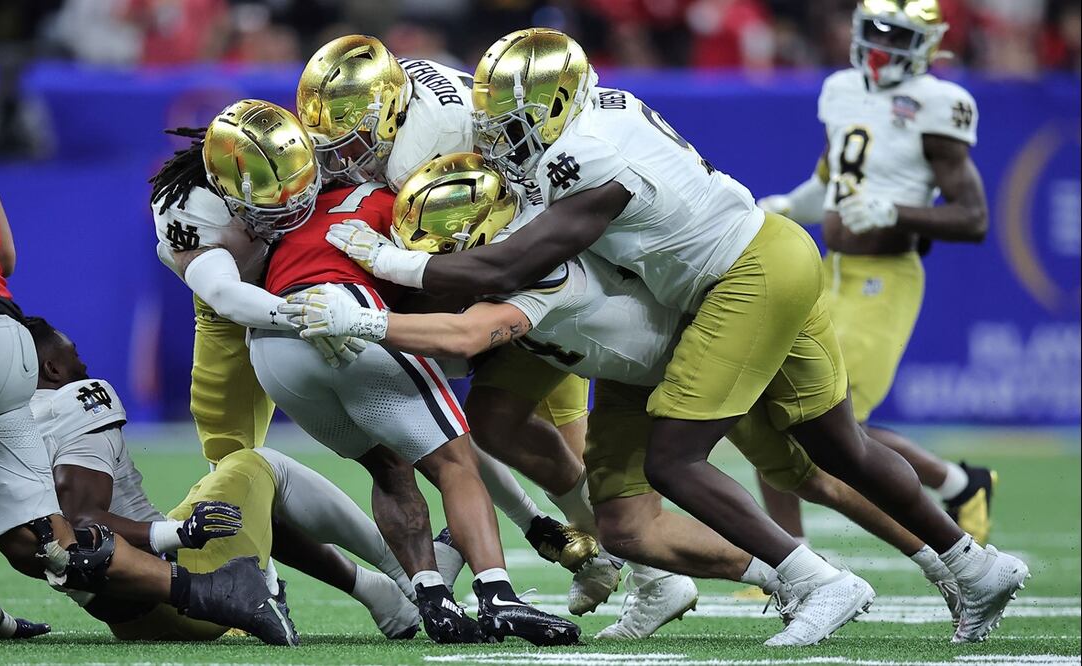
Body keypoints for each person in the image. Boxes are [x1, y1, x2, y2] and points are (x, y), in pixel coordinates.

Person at [319, 28, 1029, 646]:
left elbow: (511, 265)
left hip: (738, 279)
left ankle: (813, 580)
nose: (498, 134)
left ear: (558, 107)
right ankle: (971, 564)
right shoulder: (590, 114)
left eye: (514, 120)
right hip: (724, 273)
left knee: (690, 460)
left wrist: (386, 263)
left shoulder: (586, 159)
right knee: (832, 450)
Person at [286, 152, 966, 639]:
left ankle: (941, 563)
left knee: (806, 471)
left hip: (693, 357)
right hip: (628, 378)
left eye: (444, 246)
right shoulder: (506, 242)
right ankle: (686, 580)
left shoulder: (537, 267)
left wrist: (371, 318)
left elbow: (468, 334)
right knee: (623, 524)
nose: (436, 261)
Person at [297, 33, 621, 607]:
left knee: (517, 420)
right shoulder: (405, 90)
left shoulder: (417, 153)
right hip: (514, 249)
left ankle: (631, 560)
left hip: (515, 259)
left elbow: (440, 245)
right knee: (475, 421)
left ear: (390, 110)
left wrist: (370, 284)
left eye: (347, 143)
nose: (338, 160)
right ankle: (590, 547)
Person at [245, 151, 580, 645]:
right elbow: (439, 288)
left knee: (388, 466)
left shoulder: (297, 208)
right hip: (346, 313)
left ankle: (431, 594)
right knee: (455, 463)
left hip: (272, 342)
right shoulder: (401, 203)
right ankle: (498, 594)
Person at [0, 147, 297, 647]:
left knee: (33, 534)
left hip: (141, 596)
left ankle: (219, 590)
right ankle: (229, 589)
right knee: (43, 534)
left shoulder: (70, 400)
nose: (82, 366)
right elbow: (3, 256)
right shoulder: (73, 393)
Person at [756, 0, 996, 545]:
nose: (883, 47)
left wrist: (896, 212)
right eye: (876, 32)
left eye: (898, 36)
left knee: (832, 426)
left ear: (927, 45)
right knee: (771, 407)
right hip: (824, 270)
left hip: (883, 277)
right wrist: (793, 205)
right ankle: (786, 557)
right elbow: (832, 177)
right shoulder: (842, 88)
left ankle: (957, 485)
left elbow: (973, 218)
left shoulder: (940, 104)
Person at [25, 315, 422, 641]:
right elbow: (81, 523)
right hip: (180, 594)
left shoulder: (4, 430)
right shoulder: (73, 402)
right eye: (74, 356)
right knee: (256, 464)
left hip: (133, 617)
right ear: (52, 368)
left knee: (230, 497)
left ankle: (378, 590)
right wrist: (178, 534)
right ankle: (405, 574)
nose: (84, 365)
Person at [149, 101, 360, 467]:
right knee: (228, 450)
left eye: (298, 181)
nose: (293, 201)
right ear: (222, 186)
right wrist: (302, 314)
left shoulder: (316, 150)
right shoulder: (188, 207)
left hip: (322, 259)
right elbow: (223, 294)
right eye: (270, 193)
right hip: (243, 292)